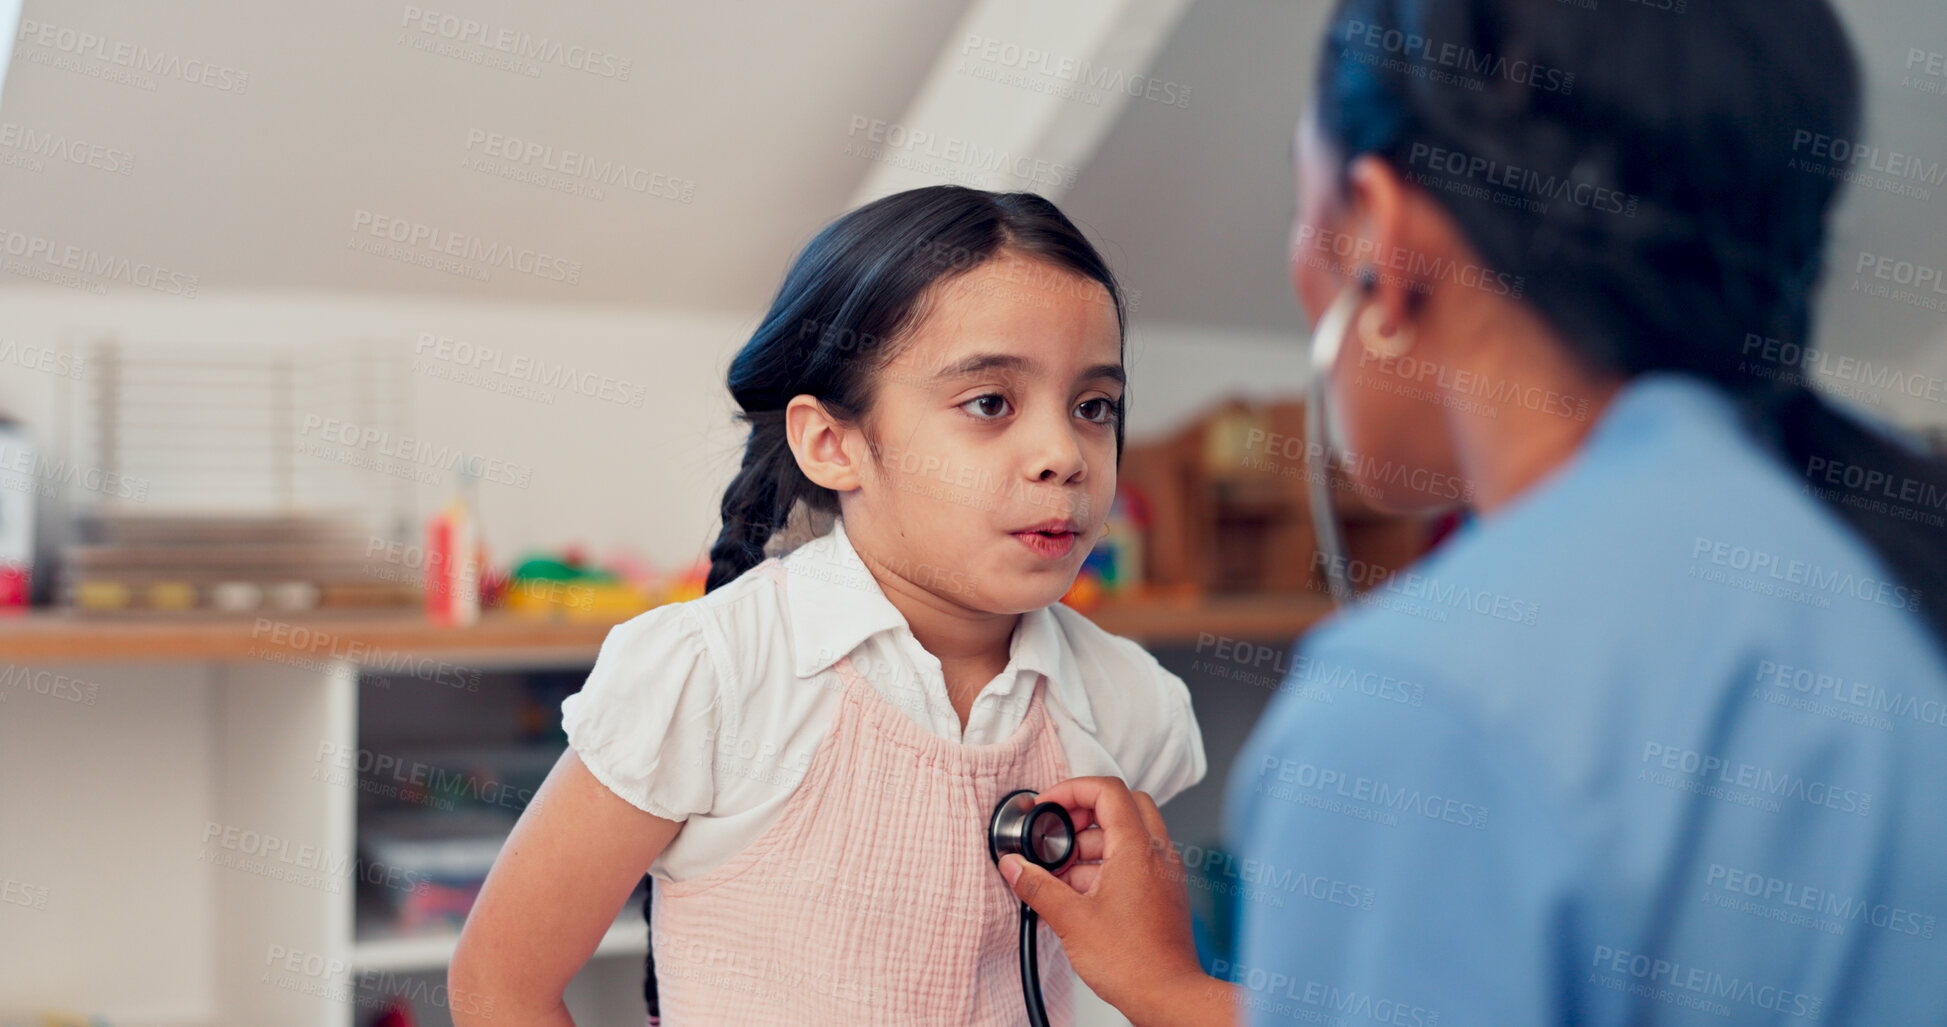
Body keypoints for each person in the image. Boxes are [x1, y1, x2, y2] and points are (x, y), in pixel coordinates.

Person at [998, 0, 1947, 1024]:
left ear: (1381, 243)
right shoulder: (1863, 578)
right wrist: (1173, 989)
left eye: (1300, 200)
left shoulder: (1424, 706)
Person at [448, 185, 1207, 1026]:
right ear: (831, 443)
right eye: (989, 402)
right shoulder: (710, 675)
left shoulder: (1127, 700)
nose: (1063, 454)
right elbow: (499, 985)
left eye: (1093, 406)